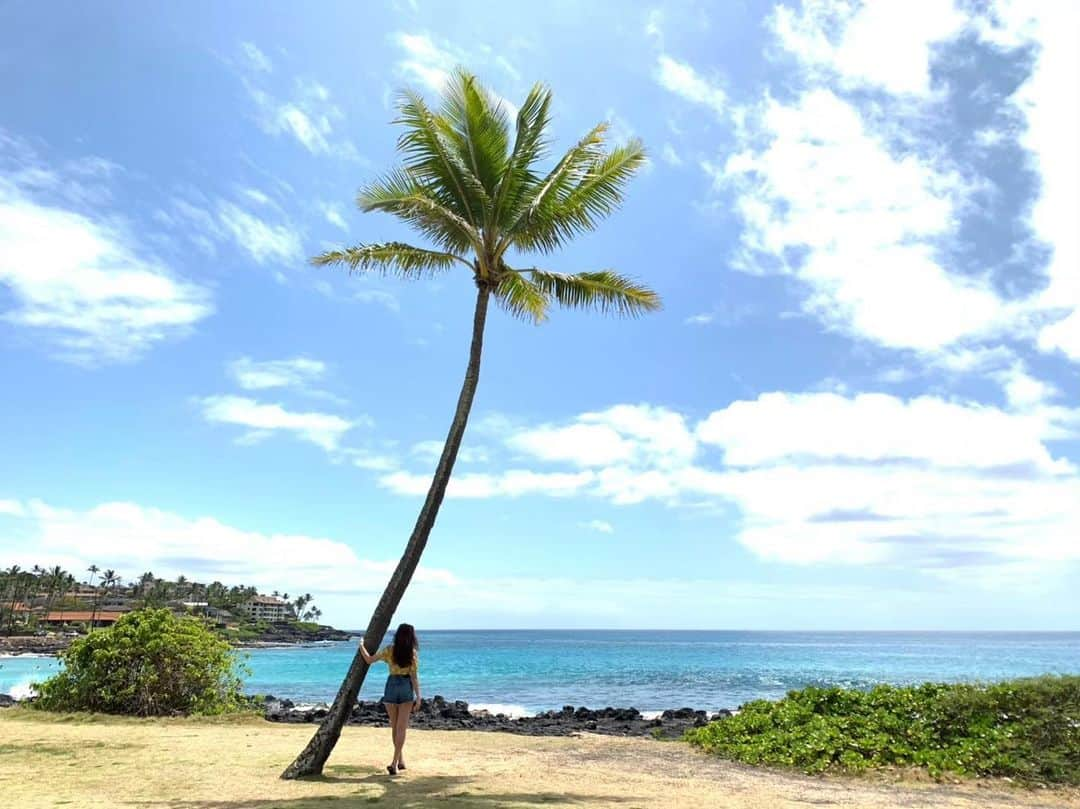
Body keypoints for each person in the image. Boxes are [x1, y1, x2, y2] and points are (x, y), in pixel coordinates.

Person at [359, 623, 421, 775]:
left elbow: (369, 660)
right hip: (406, 686)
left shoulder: (389, 650)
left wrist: (361, 645)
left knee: (395, 727)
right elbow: (414, 677)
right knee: (401, 728)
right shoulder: (412, 653)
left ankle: (397, 762)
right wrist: (418, 697)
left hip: (391, 685)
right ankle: (397, 761)